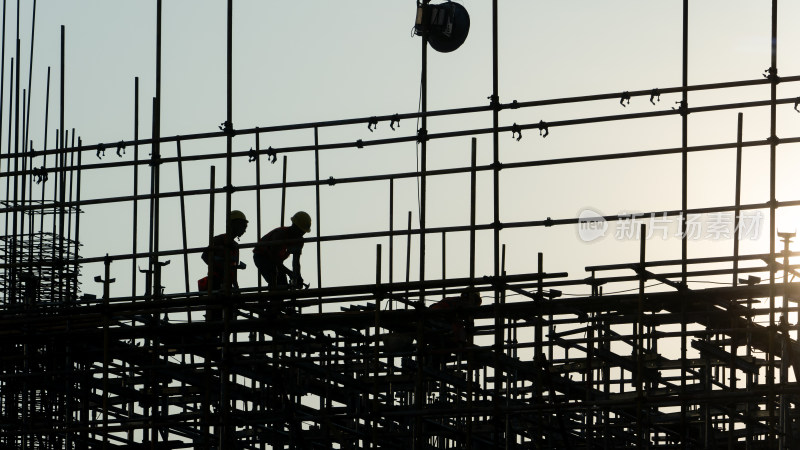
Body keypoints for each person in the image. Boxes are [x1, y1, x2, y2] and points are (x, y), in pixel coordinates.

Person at [253, 211, 311, 291]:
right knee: (274, 278)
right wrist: (289, 272)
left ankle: (277, 301)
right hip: (262, 256)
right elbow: (272, 257)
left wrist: (298, 276)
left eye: (303, 232)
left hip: (276, 261)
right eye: (300, 231)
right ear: (294, 226)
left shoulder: (299, 240)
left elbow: (296, 262)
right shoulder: (280, 234)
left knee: (283, 285)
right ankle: (271, 300)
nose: (301, 234)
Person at [199, 210, 249, 293]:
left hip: (227, 284)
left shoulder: (235, 247)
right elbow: (205, 256)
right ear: (234, 224)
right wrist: (219, 265)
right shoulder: (219, 239)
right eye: (243, 226)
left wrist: (236, 287)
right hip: (215, 282)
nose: (244, 230)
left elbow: (234, 271)